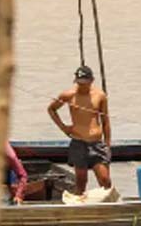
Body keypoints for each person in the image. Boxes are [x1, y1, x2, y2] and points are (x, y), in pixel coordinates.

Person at [47, 65, 112, 195]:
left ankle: (108, 205)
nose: (82, 86)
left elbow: (105, 121)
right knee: (81, 182)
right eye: (79, 83)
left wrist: (108, 144)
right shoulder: (69, 95)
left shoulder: (100, 95)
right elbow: (51, 109)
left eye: (84, 83)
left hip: (96, 143)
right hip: (78, 142)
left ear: (91, 81)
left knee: (105, 180)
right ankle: (80, 206)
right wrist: (63, 128)